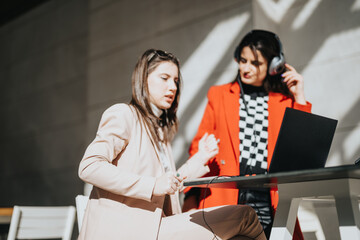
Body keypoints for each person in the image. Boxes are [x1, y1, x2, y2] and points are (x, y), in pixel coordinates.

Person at [78, 49, 266, 240]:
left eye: (175, 81)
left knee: (240, 237)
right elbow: (89, 166)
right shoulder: (123, 114)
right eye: (164, 78)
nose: (173, 87)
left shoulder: (159, 131)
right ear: (144, 79)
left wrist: (199, 158)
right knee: (246, 215)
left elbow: (168, 184)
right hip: (126, 230)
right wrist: (152, 186)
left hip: (157, 227)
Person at [182, 30, 312, 239]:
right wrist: (191, 197)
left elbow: (301, 150)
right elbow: (199, 147)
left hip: (270, 202)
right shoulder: (219, 95)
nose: (246, 68)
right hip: (226, 198)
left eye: (255, 63)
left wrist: (299, 96)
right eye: (243, 60)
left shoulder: (284, 101)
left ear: (273, 65)